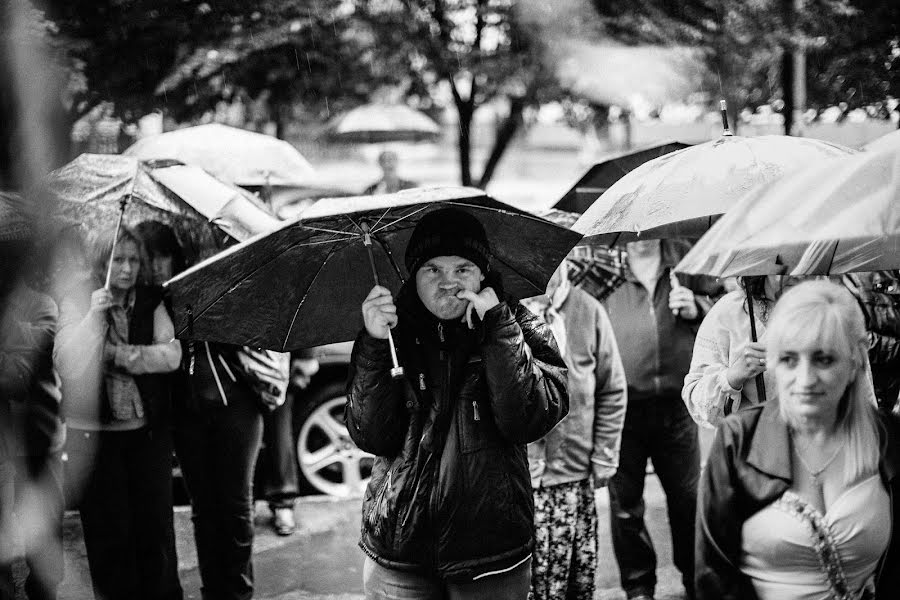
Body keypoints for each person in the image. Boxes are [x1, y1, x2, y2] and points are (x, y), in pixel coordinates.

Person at [347, 207, 569, 600]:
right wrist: (375, 344)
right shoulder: (389, 331)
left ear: (482, 273)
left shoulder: (517, 323)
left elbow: (530, 420)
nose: (448, 283)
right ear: (413, 275)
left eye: (462, 268)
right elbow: (371, 434)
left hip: (491, 553)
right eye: (433, 269)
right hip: (400, 553)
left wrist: (498, 325)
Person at [696, 280, 900, 599]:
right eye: (789, 359)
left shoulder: (885, 440)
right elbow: (714, 575)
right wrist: (731, 377)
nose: (804, 379)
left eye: (824, 359)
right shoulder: (737, 440)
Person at [136, 220, 289, 600]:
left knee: (235, 505)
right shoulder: (152, 301)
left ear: (177, 255)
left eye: (161, 256)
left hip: (236, 409)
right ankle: (212, 590)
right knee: (203, 510)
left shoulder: (210, 284)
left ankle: (236, 592)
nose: (155, 266)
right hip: (187, 416)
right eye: (148, 258)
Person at [54, 226, 183, 600]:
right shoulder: (79, 299)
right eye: (118, 260)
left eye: (133, 260)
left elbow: (171, 355)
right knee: (109, 536)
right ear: (102, 262)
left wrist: (120, 356)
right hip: (93, 438)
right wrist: (94, 318)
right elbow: (67, 362)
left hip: (146, 436)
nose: (127, 269)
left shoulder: (150, 300)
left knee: (155, 531)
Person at [600, 238, 720, 600]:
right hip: (623, 408)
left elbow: (729, 308)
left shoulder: (688, 263)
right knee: (625, 507)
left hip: (676, 406)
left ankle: (694, 581)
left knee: (686, 501)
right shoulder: (604, 273)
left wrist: (697, 307)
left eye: (651, 226)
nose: (642, 233)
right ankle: (639, 589)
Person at [522, 261, 627, 600]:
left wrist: (605, 454)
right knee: (528, 586)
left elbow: (612, 389)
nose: (545, 269)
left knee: (574, 584)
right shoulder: (505, 314)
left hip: (574, 475)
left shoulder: (588, 309)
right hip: (520, 478)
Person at [0, 239, 65, 600]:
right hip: (5, 445)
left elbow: (16, 376)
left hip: (38, 439)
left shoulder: (41, 307)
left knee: (42, 552)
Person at [682, 275, 804, 429]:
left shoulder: (824, 310)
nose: (799, 274)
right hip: (751, 443)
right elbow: (697, 403)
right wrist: (732, 376)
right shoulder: (730, 311)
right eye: (786, 265)